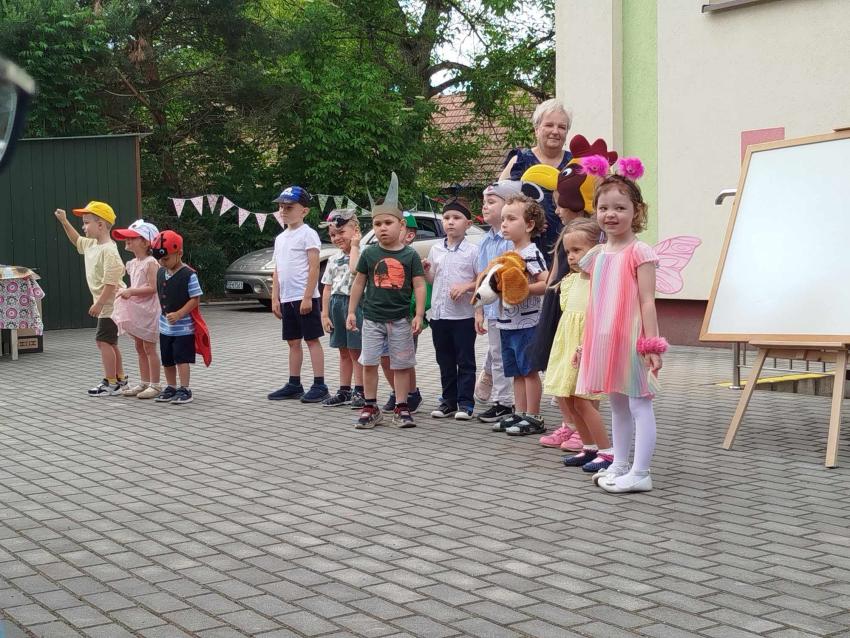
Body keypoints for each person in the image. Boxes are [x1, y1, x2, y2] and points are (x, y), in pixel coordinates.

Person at [576, 159, 664, 493]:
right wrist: (585, 342)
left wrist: (651, 344)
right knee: (617, 404)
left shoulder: (640, 252)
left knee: (639, 403)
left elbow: (647, 301)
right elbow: (595, 302)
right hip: (604, 341)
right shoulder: (598, 253)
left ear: (636, 211)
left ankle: (641, 472)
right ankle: (621, 464)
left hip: (631, 341)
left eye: (620, 208)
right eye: (603, 208)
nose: (610, 214)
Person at [347, 174, 426, 429]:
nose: (382, 228)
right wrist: (351, 312)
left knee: (400, 365)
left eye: (388, 223)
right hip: (372, 320)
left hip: (401, 320)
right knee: (369, 362)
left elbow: (419, 285)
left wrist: (419, 314)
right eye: (377, 223)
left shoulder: (410, 255)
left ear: (401, 225)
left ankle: (402, 406)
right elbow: (359, 283)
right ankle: (371, 406)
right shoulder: (369, 253)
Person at [540, 218, 613, 472]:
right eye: (568, 251)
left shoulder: (600, 282)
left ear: (597, 249)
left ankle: (607, 452)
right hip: (567, 347)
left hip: (586, 346)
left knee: (584, 401)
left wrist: (586, 345)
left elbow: (600, 318)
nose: (571, 257)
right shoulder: (570, 282)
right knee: (571, 400)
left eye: (577, 250)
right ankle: (588, 446)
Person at [54, 202, 127, 396]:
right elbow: (76, 240)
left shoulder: (109, 251)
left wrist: (99, 304)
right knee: (110, 342)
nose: (83, 227)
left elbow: (111, 282)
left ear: (100, 225)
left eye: (87, 223)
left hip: (111, 304)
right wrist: (64, 221)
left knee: (103, 342)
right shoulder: (92, 244)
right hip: (106, 305)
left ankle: (111, 383)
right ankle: (119, 379)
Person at [490, 194, 549, 436]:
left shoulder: (530, 253)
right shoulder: (510, 254)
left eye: (511, 219)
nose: (504, 224)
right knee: (516, 371)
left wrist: (524, 290)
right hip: (507, 322)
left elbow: (547, 282)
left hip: (527, 322)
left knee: (529, 370)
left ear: (529, 225)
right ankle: (520, 412)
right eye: (503, 219)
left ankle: (534, 416)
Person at [267, 186, 329, 403]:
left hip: (305, 297)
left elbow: (314, 267)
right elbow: (277, 269)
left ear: (304, 211)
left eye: (289, 207)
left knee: (311, 339)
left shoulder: (308, 234)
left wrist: (307, 296)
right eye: (281, 207)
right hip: (287, 298)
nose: (283, 211)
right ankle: (294, 384)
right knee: (293, 341)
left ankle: (320, 385)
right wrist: (275, 297)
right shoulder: (280, 238)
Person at [423, 198, 479, 420]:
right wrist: (426, 270)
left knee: (465, 361)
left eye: (456, 218)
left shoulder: (473, 251)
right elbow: (432, 279)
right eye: (446, 218)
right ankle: (448, 401)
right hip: (439, 315)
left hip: (463, 316)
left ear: (468, 223)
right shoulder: (436, 248)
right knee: (444, 360)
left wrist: (466, 287)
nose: (451, 222)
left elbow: (482, 279)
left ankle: (466, 403)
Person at [499, 98, 573, 257]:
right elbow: (498, 201)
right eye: (549, 125)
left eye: (562, 127)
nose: (555, 131)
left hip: (570, 247)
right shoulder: (519, 161)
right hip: (527, 248)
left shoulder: (575, 163)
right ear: (536, 129)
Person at [474, 180, 520, 423]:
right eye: (484, 202)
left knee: (508, 355)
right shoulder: (485, 241)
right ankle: (502, 401)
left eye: (491, 202)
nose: (485, 206)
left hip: (513, 309)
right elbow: (481, 277)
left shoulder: (513, 240)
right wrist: (478, 311)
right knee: (498, 354)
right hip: (493, 310)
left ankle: (506, 401)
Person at [380, 211, 426, 414]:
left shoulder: (411, 258)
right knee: (384, 357)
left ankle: (411, 393)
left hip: (405, 316)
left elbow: (420, 289)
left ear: (409, 235)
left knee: (403, 359)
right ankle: (397, 391)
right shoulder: (380, 254)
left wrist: (419, 316)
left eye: (396, 226)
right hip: (381, 316)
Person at [111, 219, 162, 399]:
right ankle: (144, 382)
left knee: (149, 347)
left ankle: (155, 384)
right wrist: (123, 289)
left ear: (146, 242)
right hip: (138, 309)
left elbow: (153, 288)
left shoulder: (151, 262)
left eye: (132, 238)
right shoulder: (132, 263)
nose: (128, 240)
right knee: (139, 346)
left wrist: (131, 291)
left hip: (148, 310)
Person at [319, 209, 365, 407]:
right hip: (336, 305)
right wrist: (325, 314)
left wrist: (355, 245)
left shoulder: (363, 254)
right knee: (343, 351)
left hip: (355, 305)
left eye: (341, 232)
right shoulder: (333, 259)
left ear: (356, 231)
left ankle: (361, 391)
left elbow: (355, 271)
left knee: (356, 350)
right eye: (332, 234)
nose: (337, 238)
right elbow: (327, 288)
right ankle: (344, 390)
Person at [150, 230, 203, 404]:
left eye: (166, 259)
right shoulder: (161, 272)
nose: (162, 262)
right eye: (160, 259)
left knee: (181, 359)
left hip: (183, 328)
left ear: (179, 253)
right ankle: (171, 387)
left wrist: (180, 313)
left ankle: (185, 388)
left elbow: (195, 299)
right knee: (167, 359)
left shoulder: (189, 275)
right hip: (165, 327)